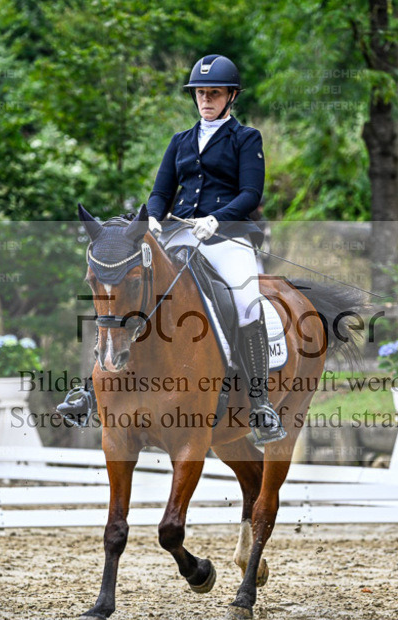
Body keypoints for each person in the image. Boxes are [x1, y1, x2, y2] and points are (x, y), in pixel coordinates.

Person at [57, 54, 285, 444]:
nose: (206, 100)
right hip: (178, 236)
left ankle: (261, 404)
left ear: (231, 97)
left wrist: (218, 218)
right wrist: (157, 216)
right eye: (200, 93)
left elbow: (251, 192)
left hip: (227, 238)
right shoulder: (180, 140)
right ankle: (93, 393)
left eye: (214, 93)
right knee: (128, 290)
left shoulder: (246, 139)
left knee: (247, 301)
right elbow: (161, 190)